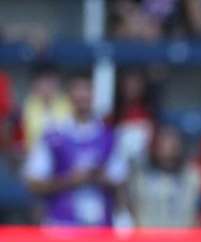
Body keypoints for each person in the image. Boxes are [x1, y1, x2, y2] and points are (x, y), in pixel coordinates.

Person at [22, 73, 128, 227]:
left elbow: (120, 182)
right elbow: (33, 182)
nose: (82, 96)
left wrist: (98, 177)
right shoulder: (53, 136)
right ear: (68, 96)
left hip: (101, 226)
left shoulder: (109, 136)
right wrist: (69, 180)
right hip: (61, 225)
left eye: (87, 90)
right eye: (77, 90)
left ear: (94, 95)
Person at [128, 125, 201, 227]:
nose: (168, 146)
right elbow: (132, 208)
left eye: (173, 141)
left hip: (183, 237)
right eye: (163, 141)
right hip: (148, 237)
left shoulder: (194, 176)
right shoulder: (139, 175)